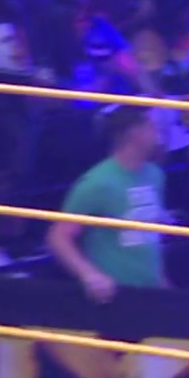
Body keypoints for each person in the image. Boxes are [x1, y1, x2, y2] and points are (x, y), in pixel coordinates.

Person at [47, 104, 170, 299]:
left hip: (151, 290)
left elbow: (150, 238)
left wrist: (161, 280)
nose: (158, 133)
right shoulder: (97, 182)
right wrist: (89, 275)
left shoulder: (155, 175)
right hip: (116, 294)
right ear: (134, 133)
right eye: (151, 127)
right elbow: (58, 237)